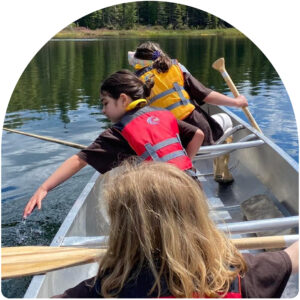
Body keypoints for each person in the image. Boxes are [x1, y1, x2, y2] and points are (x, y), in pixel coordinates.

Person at [55, 161, 298, 298]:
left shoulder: (102, 290)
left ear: (121, 229)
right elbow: (292, 258)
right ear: (197, 216)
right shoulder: (240, 273)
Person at [23, 70, 204, 218]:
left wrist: (44, 187)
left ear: (123, 99)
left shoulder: (118, 132)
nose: (103, 111)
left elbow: (80, 160)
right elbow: (198, 134)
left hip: (163, 196)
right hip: (192, 185)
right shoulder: (163, 113)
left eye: (105, 103)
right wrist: (184, 163)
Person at [128, 41, 249, 183]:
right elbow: (206, 95)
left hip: (167, 144)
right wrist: (236, 102)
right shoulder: (176, 68)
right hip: (199, 136)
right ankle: (221, 171)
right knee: (226, 119)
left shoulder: (135, 82)